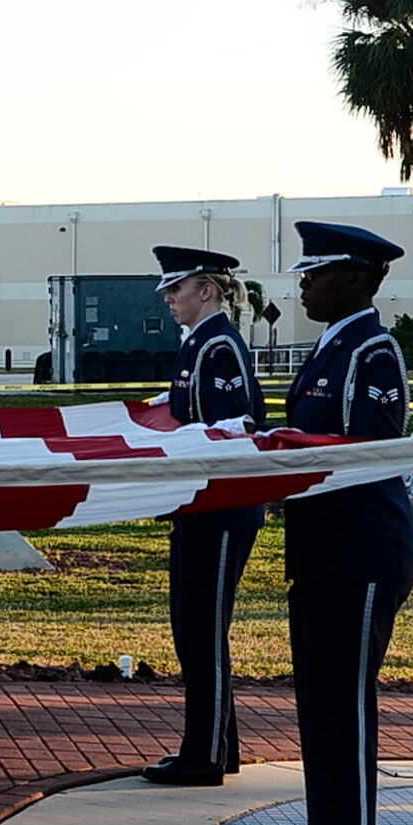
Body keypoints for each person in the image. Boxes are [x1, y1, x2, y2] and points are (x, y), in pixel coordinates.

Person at [256, 222, 413, 825]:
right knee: (320, 712)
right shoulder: (331, 349)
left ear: (355, 279)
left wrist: (287, 452)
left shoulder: (371, 351)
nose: (303, 282)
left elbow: (367, 451)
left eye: (316, 271)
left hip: (361, 552)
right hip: (324, 555)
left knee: (344, 710)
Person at [141, 246, 266, 787]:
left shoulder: (219, 346)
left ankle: (205, 754)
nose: (169, 298)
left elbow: (235, 426)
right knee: (195, 624)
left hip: (222, 505)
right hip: (200, 502)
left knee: (202, 628)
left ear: (207, 290)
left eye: (177, 288)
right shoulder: (199, 346)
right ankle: (220, 745)